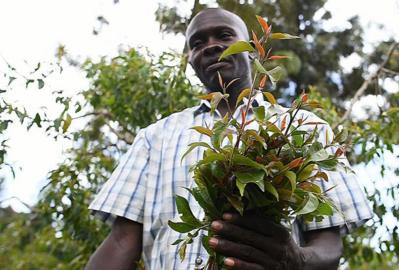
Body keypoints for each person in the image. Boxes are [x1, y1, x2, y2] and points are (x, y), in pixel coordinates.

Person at [85, 8, 372, 270]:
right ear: (191, 61)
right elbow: (122, 242)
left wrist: (294, 259)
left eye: (224, 35)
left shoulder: (306, 127)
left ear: (252, 51)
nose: (210, 46)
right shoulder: (154, 137)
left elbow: (329, 246)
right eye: (197, 43)